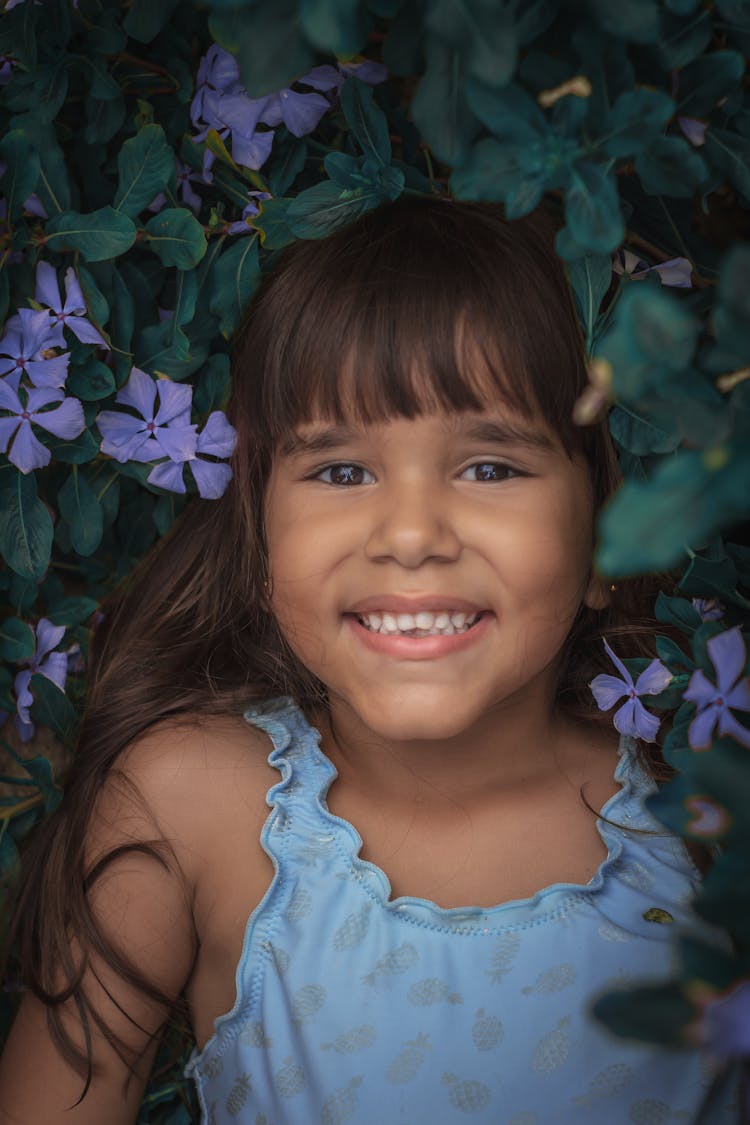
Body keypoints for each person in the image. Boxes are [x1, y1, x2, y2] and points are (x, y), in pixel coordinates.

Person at [0, 197, 737, 1124]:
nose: (413, 533)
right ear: (260, 534)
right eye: (341, 470)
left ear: (607, 538)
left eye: (490, 466)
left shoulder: (707, 814)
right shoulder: (192, 806)